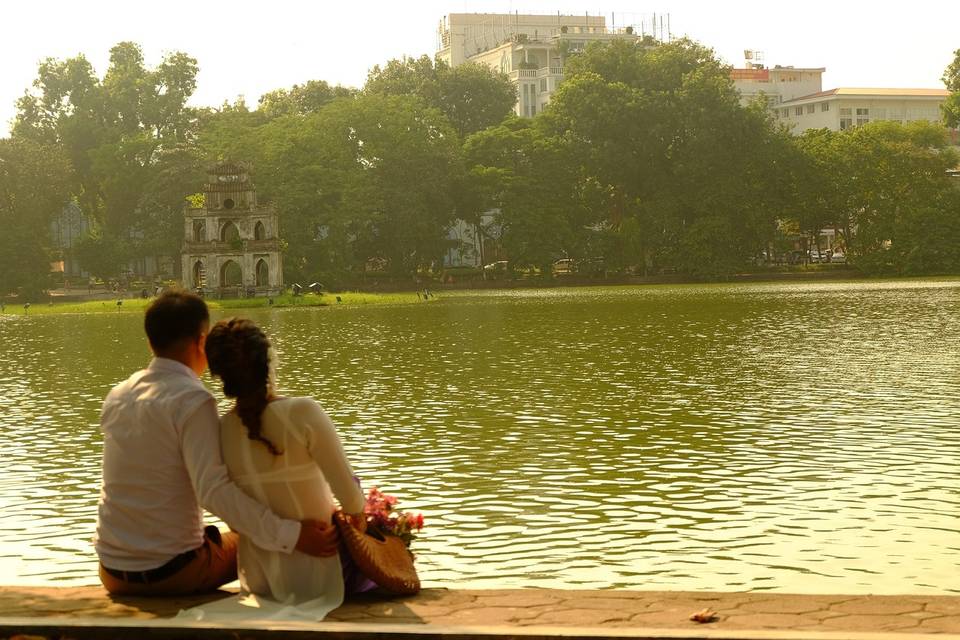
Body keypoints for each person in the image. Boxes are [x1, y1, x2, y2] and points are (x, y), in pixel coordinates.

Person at [95, 290, 340, 596]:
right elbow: (213, 491)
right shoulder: (192, 399)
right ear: (202, 341)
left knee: (252, 532)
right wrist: (294, 535)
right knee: (261, 541)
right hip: (171, 572)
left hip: (111, 570)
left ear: (150, 342)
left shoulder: (118, 394)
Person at [204, 317, 367, 613]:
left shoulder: (219, 430)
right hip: (325, 577)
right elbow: (352, 501)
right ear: (268, 361)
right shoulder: (303, 412)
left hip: (260, 582)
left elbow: (233, 520)